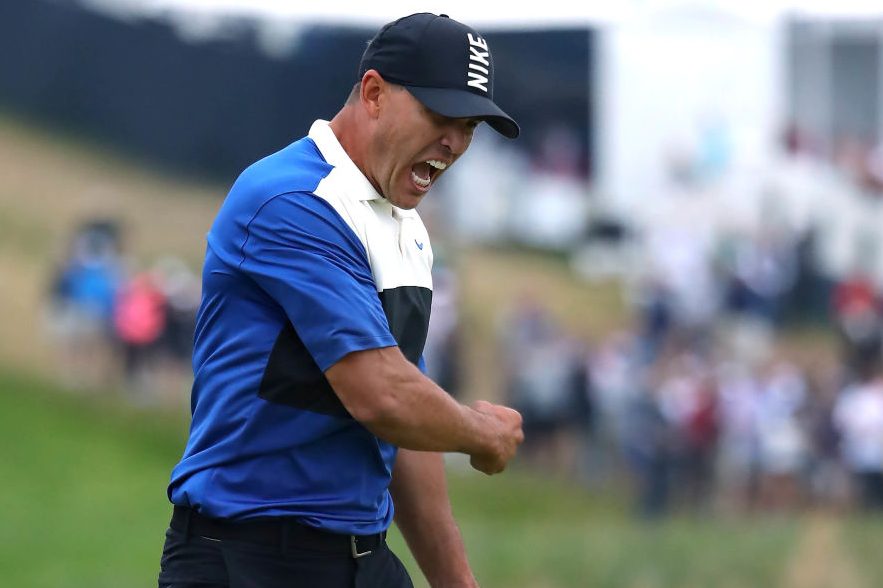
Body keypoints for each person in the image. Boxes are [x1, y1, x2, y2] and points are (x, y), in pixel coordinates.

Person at [158, 13, 524, 588]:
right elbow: (381, 395)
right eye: (441, 115)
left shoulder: (406, 227)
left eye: (471, 125)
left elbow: (408, 421)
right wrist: (482, 435)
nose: (454, 142)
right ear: (374, 93)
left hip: (356, 558)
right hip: (248, 558)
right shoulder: (291, 200)